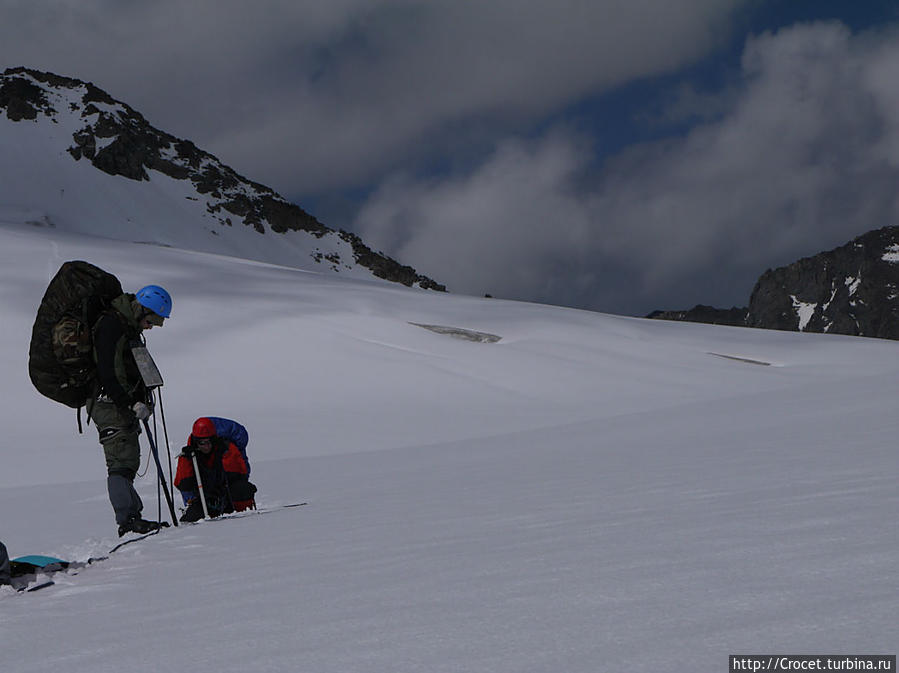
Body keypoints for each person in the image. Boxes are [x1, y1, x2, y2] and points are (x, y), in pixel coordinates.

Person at [88, 284, 173, 536]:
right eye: (150, 320)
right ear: (142, 309)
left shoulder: (125, 326)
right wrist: (131, 402)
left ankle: (132, 515)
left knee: (127, 457)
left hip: (115, 403)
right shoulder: (112, 326)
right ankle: (127, 520)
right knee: (120, 460)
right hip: (107, 403)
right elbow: (109, 372)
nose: (150, 327)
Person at [174, 417, 257, 522]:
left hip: (227, 497)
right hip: (204, 500)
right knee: (190, 518)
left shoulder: (226, 449)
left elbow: (240, 476)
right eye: (201, 443)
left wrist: (225, 457)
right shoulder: (189, 456)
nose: (206, 446)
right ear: (196, 442)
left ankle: (246, 522)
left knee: (242, 489)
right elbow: (183, 484)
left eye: (209, 442)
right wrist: (186, 461)